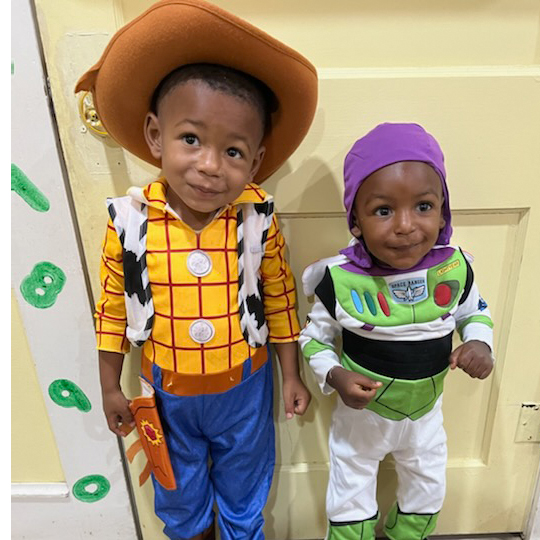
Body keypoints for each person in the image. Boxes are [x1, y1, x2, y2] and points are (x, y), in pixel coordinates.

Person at [75, 1, 317, 539]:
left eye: (233, 151)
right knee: (177, 494)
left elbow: (279, 300)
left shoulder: (258, 220)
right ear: (155, 136)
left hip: (245, 390)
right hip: (167, 395)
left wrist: (292, 372)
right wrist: (109, 384)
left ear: (254, 162)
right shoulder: (129, 222)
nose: (210, 165)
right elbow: (112, 306)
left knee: (246, 487)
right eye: (191, 140)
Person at [299, 123, 494, 540]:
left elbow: (474, 312)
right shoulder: (338, 281)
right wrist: (334, 375)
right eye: (384, 211)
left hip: (425, 416)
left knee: (427, 487)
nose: (405, 226)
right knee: (350, 490)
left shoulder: (455, 267)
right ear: (356, 221)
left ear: (443, 210)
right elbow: (314, 339)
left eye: (423, 206)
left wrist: (478, 341)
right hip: (361, 418)